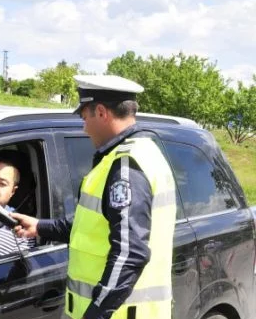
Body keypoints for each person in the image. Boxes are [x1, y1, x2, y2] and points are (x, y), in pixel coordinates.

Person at [12, 75, 177, 319]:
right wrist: (40, 227)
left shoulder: (125, 167)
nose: (84, 127)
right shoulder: (142, 152)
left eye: (84, 117)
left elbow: (130, 254)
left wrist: (96, 314)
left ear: (101, 112)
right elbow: (95, 226)